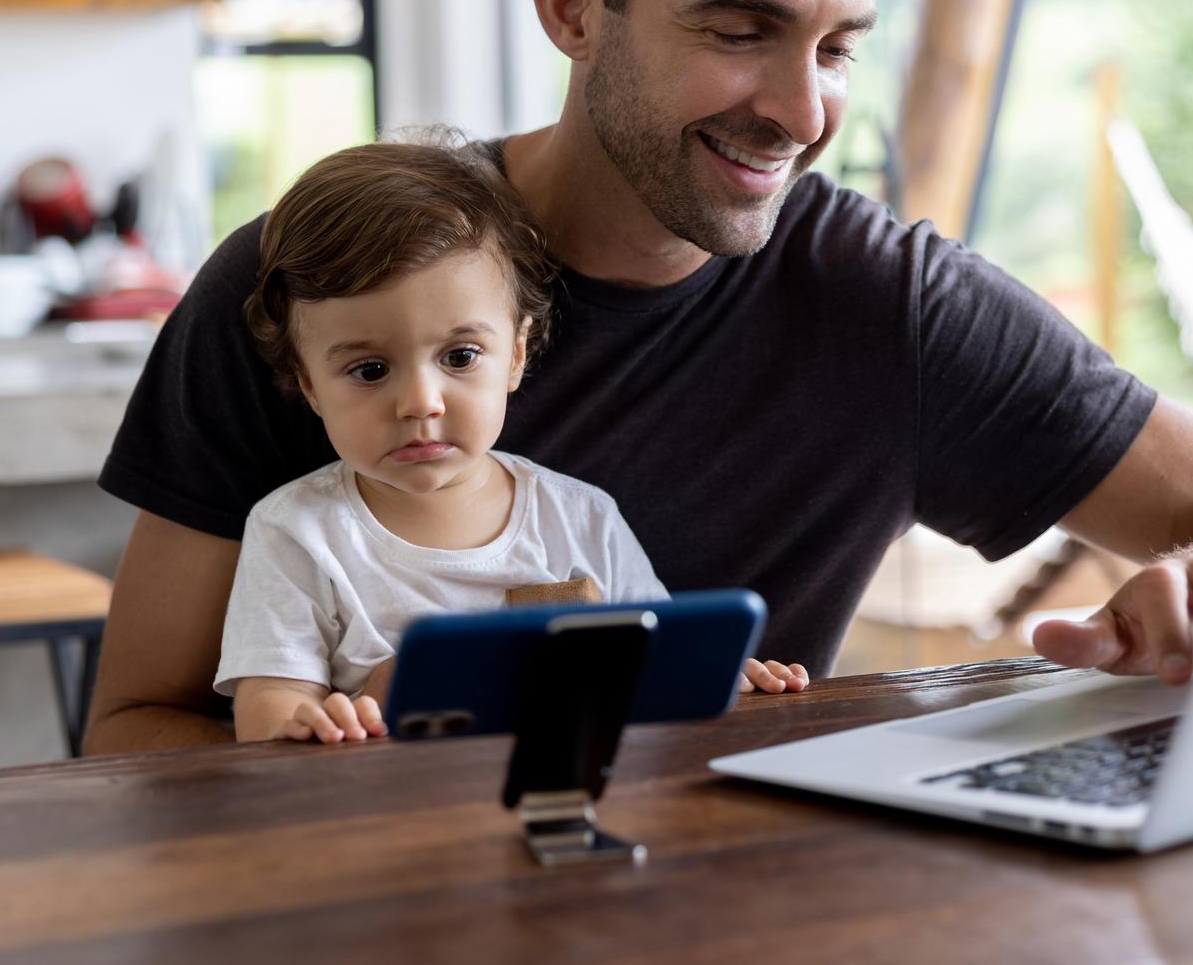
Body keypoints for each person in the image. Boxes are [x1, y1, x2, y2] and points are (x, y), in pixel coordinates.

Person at [86, 0, 1193, 754]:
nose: (804, 112)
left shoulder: (890, 307)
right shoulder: (314, 278)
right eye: (739, 28)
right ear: (571, 7)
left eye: (834, 46)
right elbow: (133, 734)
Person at [222, 141, 809, 744]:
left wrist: (724, 678)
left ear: (517, 354)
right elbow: (265, 725)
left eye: (460, 356)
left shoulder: (579, 519)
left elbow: (650, 664)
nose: (421, 401)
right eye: (370, 370)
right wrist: (342, 714)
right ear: (310, 385)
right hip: (385, 821)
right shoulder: (297, 532)